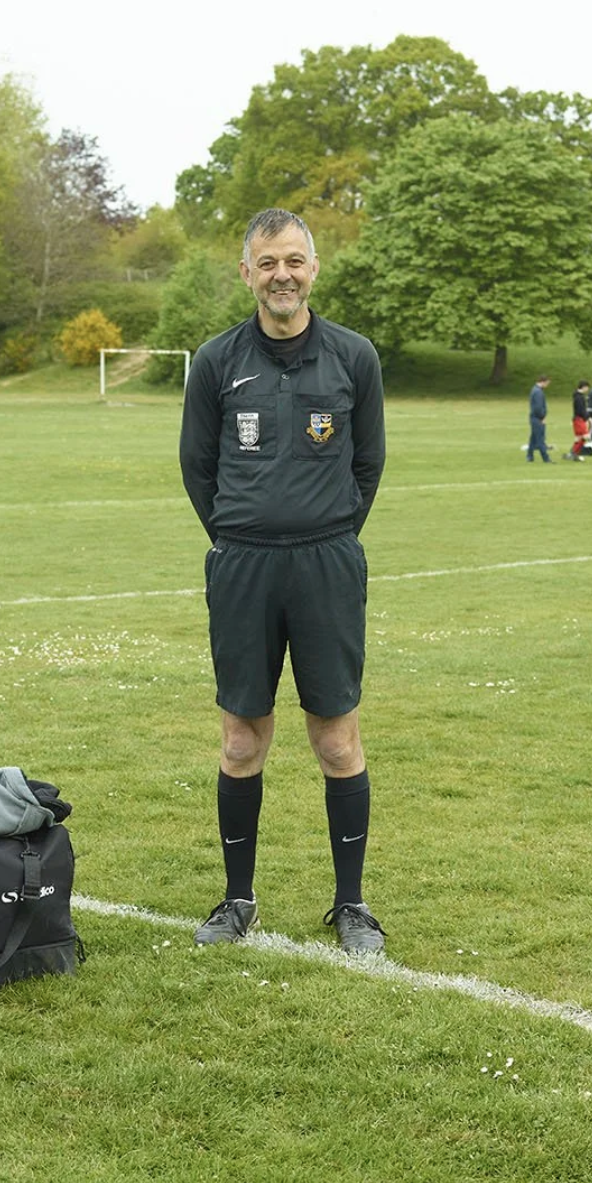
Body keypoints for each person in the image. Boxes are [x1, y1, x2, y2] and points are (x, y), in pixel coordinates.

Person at [179, 208, 388, 957]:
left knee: (336, 738)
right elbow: (197, 469)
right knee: (242, 739)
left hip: (327, 562)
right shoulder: (214, 361)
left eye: (294, 261)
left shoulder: (355, 357)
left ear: (314, 267)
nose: (282, 275)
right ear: (246, 273)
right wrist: (242, 533)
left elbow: (368, 465)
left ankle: (353, 905)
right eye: (267, 263)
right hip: (242, 564)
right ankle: (238, 900)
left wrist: (323, 531)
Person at [526, 375, 552, 462]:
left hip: (534, 418)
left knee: (533, 438)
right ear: (543, 381)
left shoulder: (535, 390)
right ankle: (546, 458)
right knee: (540, 439)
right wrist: (542, 417)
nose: (547, 386)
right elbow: (538, 407)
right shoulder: (538, 392)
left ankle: (529, 456)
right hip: (537, 418)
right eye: (547, 383)